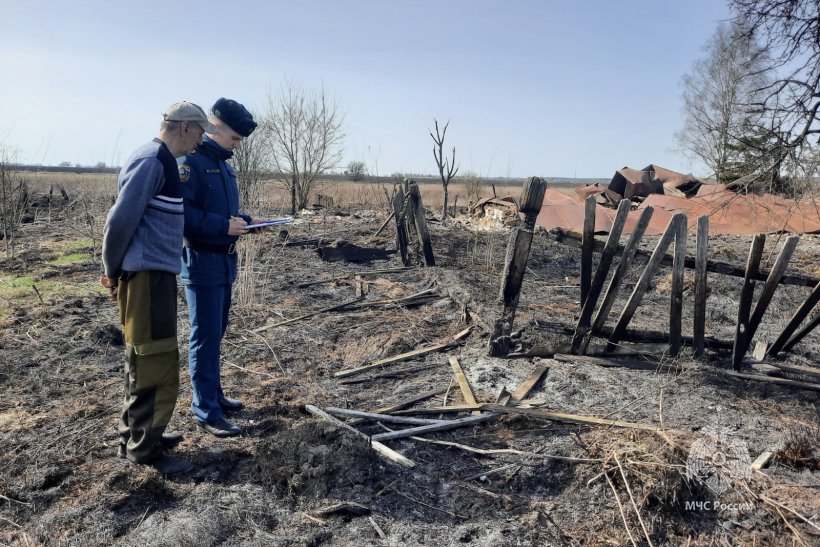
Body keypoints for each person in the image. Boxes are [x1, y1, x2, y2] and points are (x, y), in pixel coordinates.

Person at [101, 101, 218, 475]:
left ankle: (137, 434)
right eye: (200, 131)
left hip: (154, 276)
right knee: (155, 361)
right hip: (147, 276)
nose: (201, 140)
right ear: (184, 127)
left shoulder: (157, 159)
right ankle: (144, 449)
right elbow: (119, 220)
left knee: (144, 358)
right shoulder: (153, 160)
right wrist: (112, 270)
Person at [178, 98, 264, 437]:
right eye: (235, 138)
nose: (237, 145)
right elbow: (181, 215)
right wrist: (222, 227)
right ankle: (206, 411)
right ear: (215, 126)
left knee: (216, 335)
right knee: (204, 337)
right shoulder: (191, 163)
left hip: (224, 260)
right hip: (201, 261)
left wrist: (247, 222)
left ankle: (215, 396)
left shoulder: (225, 166)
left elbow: (223, 214)